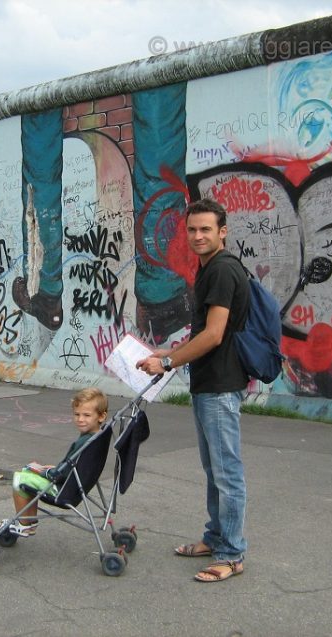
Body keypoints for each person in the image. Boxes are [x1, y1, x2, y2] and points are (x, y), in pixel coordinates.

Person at [136, 198, 250, 583]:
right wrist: (170, 351)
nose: (198, 236)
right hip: (208, 384)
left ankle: (231, 554)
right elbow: (204, 333)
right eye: (192, 229)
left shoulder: (221, 271)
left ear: (223, 231)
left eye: (206, 229)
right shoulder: (207, 269)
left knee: (227, 473)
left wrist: (168, 363)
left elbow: (215, 335)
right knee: (214, 469)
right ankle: (215, 537)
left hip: (220, 386)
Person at [0, 387, 109, 537]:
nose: (80, 419)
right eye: (77, 414)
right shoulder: (97, 436)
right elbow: (73, 466)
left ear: (101, 416)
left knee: (19, 478)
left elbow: (62, 474)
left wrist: (46, 472)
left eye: (87, 415)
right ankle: (30, 521)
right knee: (27, 470)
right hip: (74, 482)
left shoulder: (85, 443)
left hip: (63, 489)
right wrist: (55, 469)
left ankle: (23, 524)